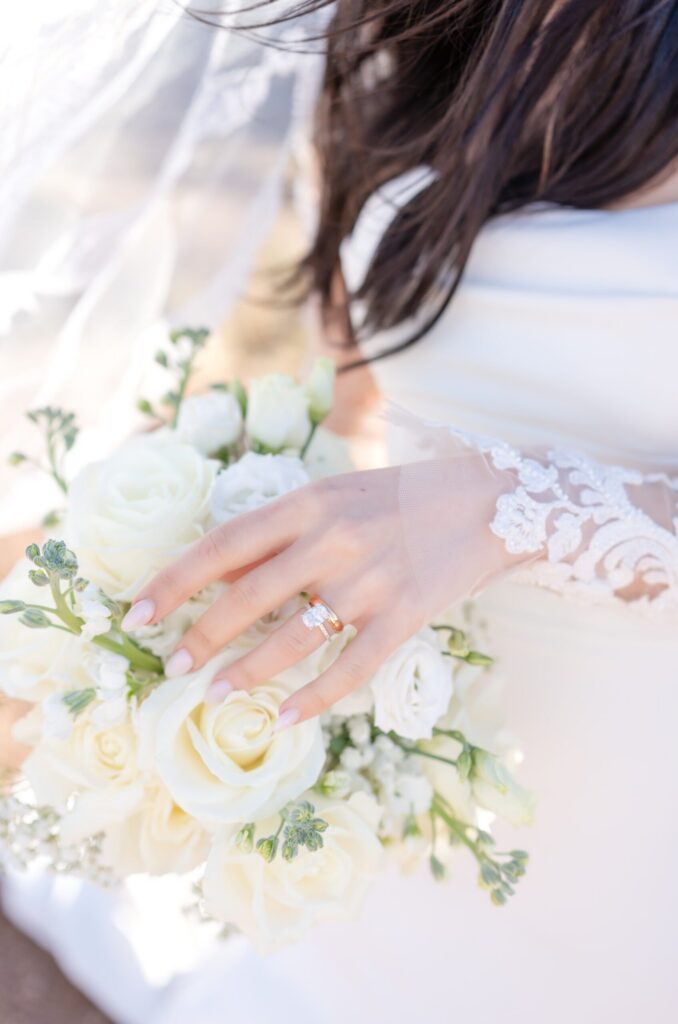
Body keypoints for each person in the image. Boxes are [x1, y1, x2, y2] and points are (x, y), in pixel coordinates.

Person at [5, 2, 678, 1021]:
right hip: (426, 804)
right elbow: (355, 395)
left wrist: (518, 507)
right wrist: (192, 502)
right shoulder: (397, 31)